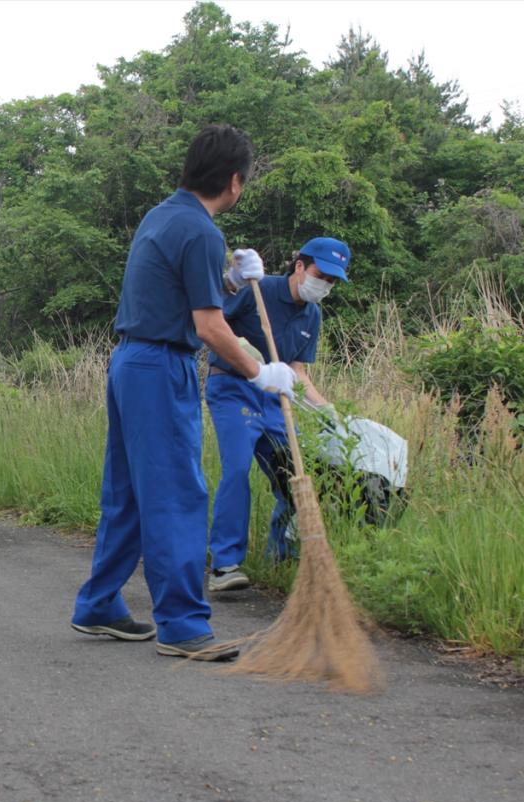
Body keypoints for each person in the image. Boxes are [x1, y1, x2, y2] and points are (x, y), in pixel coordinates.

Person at [69, 124, 297, 661]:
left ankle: (99, 604)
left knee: (127, 492)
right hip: (160, 366)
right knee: (176, 492)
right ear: (235, 182)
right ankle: (183, 625)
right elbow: (210, 327)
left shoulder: (164, 215)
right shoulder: (201, 231)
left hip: (130, 360)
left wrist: (235, 284)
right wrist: (259, 371)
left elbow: (187, 295)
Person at [205, 237, 350, 592]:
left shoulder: (312, 314)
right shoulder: (259, 289)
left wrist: (326, 408)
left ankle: (281, 558)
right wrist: (246, 352)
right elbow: (212, 321)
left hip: (275, 400)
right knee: (237, 469)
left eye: (332, 281)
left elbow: (298, 370)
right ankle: (225, 564)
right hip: (233, 388)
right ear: (300, 266)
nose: (325, 285)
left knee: (295, 473)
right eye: (321, 275)